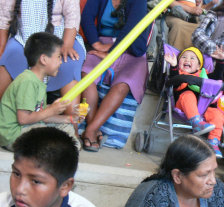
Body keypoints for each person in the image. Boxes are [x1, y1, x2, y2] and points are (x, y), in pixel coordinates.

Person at [80, 0, 151, 152]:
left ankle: (91, 129)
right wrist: (95, 43)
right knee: (87, 75)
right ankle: (93, 127)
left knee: (124, 84)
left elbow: (133, 27)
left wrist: (111, 51)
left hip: (130, 48)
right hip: (103, 44)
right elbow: (86, 18)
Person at [0, 0, 85, 116]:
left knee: (69, 62)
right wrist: (2, 48)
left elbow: (72, 16)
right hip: (25, 36)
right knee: (8, 57)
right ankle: (4, 115)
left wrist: (67, 44)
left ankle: (72, 123)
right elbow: (4, 19)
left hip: (61, 36)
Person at [0, 32, 83, 150]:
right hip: (14, 135)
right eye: (58, 57)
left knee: (66, 127)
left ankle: (67, 147)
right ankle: (64, 148)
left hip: (27, 128)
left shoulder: (38, 82)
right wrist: (51, 110)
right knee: (53, 135)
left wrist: (69, 119)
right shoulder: (28, 81)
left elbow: (41, 116)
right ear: (43, 59)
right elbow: (23, 119)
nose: (61, 62)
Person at [0, 127, 101, 207]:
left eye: (36, 181)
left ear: (65, 186)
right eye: (17, 174)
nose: (19, 189)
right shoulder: (3, 206)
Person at [123, 134, 224, 207]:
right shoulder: (149, 202)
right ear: (177, 176)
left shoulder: (218, 190)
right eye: (204, 175)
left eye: (213, 171)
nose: (213, 181)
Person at [165, 47, 224, 158]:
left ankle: (213, 143)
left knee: (217, 114)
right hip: (182, 106)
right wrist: (173, 66)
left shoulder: (203, 75)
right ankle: (196, 123)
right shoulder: (179, 73)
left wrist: (221, 62)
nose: (187, 60)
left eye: (192, 58)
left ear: (198, 66)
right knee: (188, 95)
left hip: (204, 108)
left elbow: (216, 79)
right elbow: (174, 80)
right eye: (183, 57)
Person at [192, 1, 224, 80]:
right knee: (207, 61)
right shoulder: (214, 15)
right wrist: (215, 50)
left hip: (220, 62)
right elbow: (197, 35)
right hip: (207, 56)